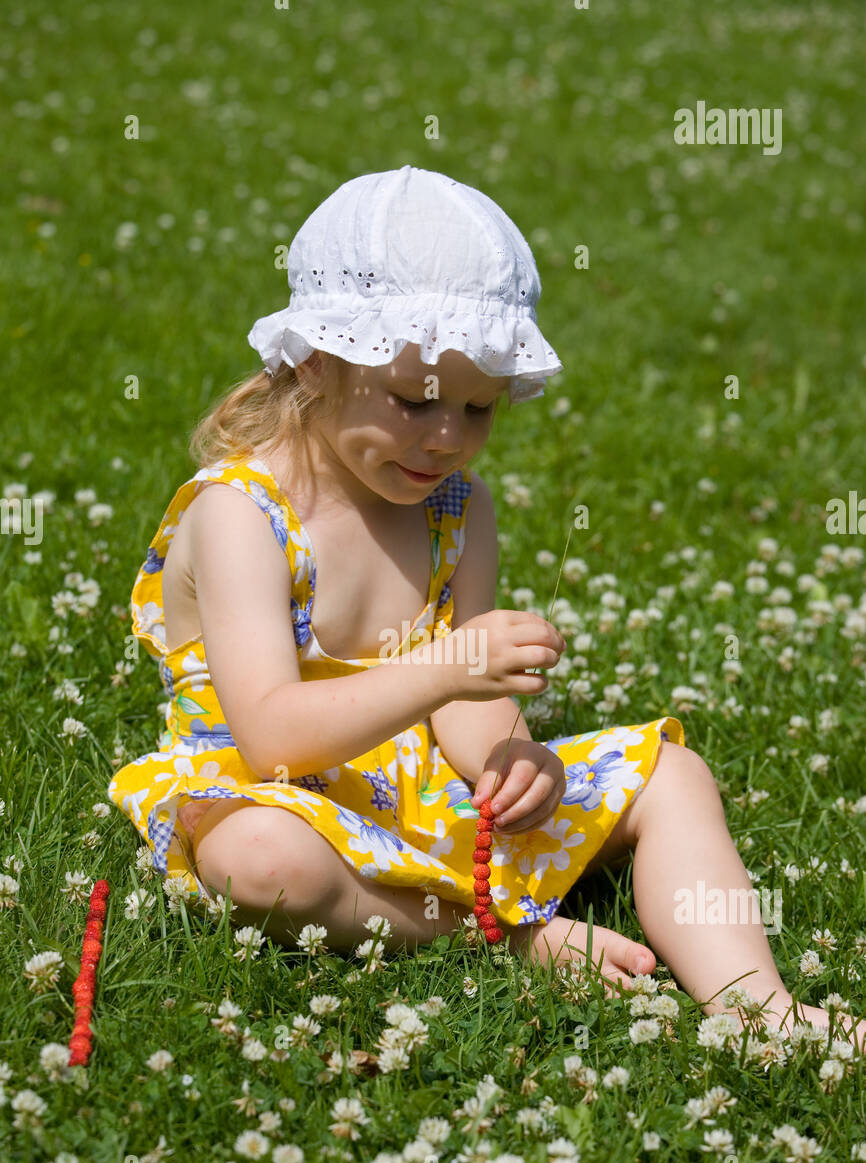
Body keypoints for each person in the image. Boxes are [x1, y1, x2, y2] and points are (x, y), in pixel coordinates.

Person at [108, 165, 863, 1045]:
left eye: (478, 408)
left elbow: (466, 706)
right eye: (414, 400)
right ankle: (503, 933)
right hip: (273, 795)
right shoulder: (242, 514)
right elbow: (272, 735)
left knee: (674, 774)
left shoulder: (457, 508)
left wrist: (508, 753)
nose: (446, 438)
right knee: (260, 865)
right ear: (316, 360)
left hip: (420, 798)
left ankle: (755, 1005)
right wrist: (450, 667)